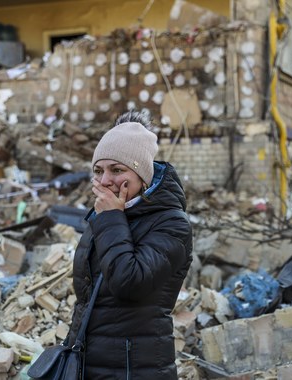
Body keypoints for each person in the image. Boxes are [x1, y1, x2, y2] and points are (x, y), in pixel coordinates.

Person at [66, 110, 193, 379]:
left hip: (134, 368)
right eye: (98, 171)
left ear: (142, 175)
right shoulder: (106, 216)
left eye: (117, 170)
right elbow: (87, 299)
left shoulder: (171, 224)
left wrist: (112, 218)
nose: (104, 181)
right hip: (90, 363)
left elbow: (129, 282)